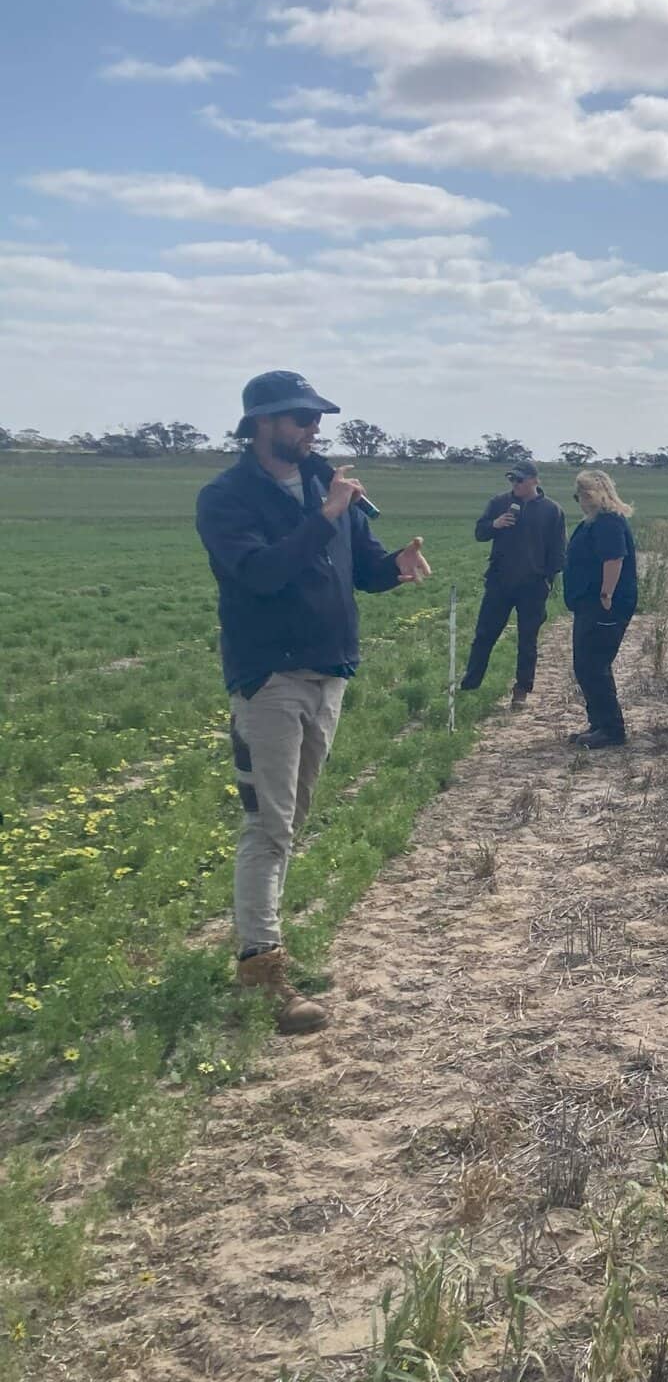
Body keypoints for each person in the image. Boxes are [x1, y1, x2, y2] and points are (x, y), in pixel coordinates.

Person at [196, 370, 431, 1033]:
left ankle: (261, 946)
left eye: (315, 418)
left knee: (290, 816)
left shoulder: (328, 488)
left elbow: (362, 566)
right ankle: (262, 970)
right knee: (269, 825)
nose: (312, 429)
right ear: (262, 424)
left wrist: (396, 567)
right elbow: (261, 573)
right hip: (269, 677)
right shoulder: (227, 498)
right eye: (299, 418)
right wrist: (323, 514)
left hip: (328, 673)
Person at [459, 461, 566, 706]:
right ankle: (470, 684)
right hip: (499, 581)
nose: (515, 484)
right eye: (512, 480)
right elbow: (479, 532)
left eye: (520, 480)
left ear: (534, 481)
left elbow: (558, 550)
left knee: (527, 640)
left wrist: (547, 578)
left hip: (533, 586)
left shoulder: (552, 510)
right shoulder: (499, 503)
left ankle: (522, 690)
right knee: (484, 635)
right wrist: (494, 525)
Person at [564, 470, 638, 750]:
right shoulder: (592, 522)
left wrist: (606, 594)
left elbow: (614, 559)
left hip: (604, 605)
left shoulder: (608, 522)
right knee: (585, 665)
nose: (580, 501)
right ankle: (598, 723)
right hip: (588, 603)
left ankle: (611, 728)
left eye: (582, 494)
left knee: (594, 665)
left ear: (596, 494)